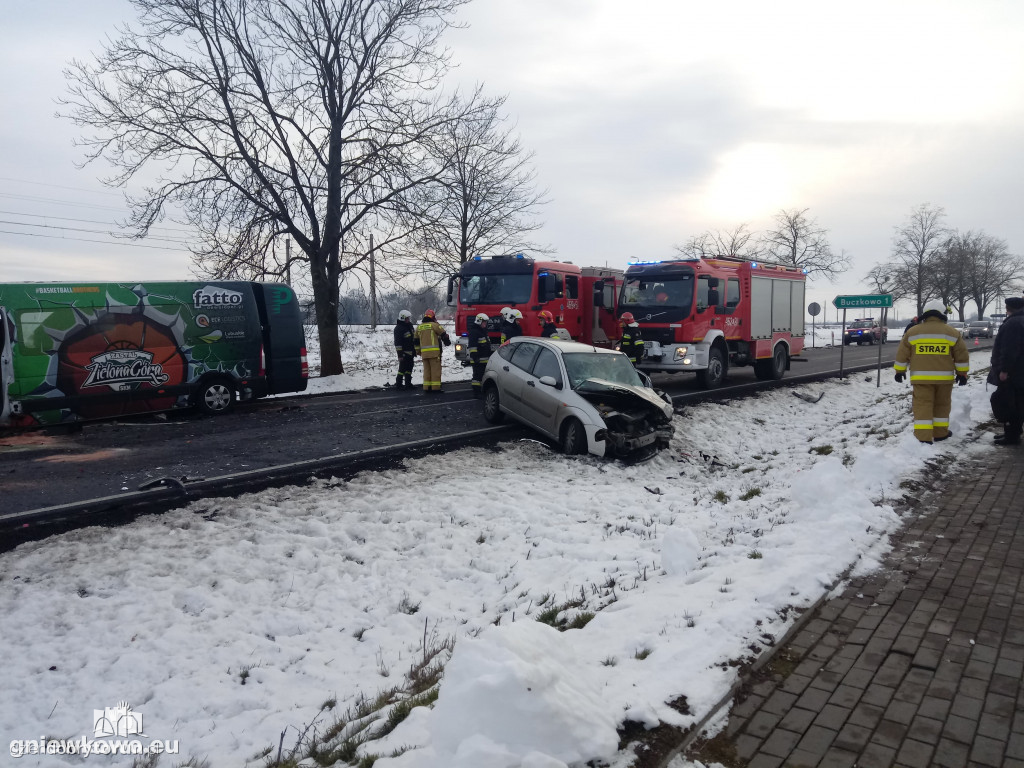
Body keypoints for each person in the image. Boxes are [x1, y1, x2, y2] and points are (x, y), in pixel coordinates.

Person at [893, 300, 969, 443]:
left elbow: (902, 353)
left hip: (921, 378)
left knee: (922, 406)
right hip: (944, 379)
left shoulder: (913, 332)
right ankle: (940, 433)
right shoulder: (952, 333)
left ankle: (923, 437)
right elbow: (961, 356)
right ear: (942, 314)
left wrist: (899, 371)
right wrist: (962, 374)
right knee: (942, 405)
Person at [987, 296, 1024, 445]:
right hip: (1020, 371)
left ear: (1008, 308)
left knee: (1009, 403)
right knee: (1018, 403)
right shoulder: (1020, 320)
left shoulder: (1013, 323)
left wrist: (1004, 370)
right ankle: (1013, 432)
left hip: (1014, 373)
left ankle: (1012, 436)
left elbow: (1009, 349)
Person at [414, 309, 451, 393]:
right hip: (434, 353)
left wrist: (418, 351)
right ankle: (435, 388)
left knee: (427, 370)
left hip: (424, 354)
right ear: (433, 317)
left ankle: (427, 387)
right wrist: (447, 342)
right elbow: (443, 334)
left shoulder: (419, 327)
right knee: (435, 371)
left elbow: (415, 341)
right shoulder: (434, 325)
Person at [467, 312, 492, 398]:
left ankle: (480, 391)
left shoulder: (482, 331)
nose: (485, 324)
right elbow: (472, 347)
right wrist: (475, 358)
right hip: (478, 360)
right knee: (477, 377)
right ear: (479, 321)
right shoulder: (474, 332)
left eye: (486, 322)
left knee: (482, 376)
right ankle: (476, 393)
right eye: (484, 322)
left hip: (484, 359)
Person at [392, 309, 416, 389]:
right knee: (402, 369)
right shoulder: (398, 329)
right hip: (404, 353)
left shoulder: (409, 326)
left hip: (411, 352)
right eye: (407, 318)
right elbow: (398, 343)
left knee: (409, 368)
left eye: (409, 318)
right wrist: (400, 354)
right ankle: (399, 384)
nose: (408, 320)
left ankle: (408, 383)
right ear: (403, 318)